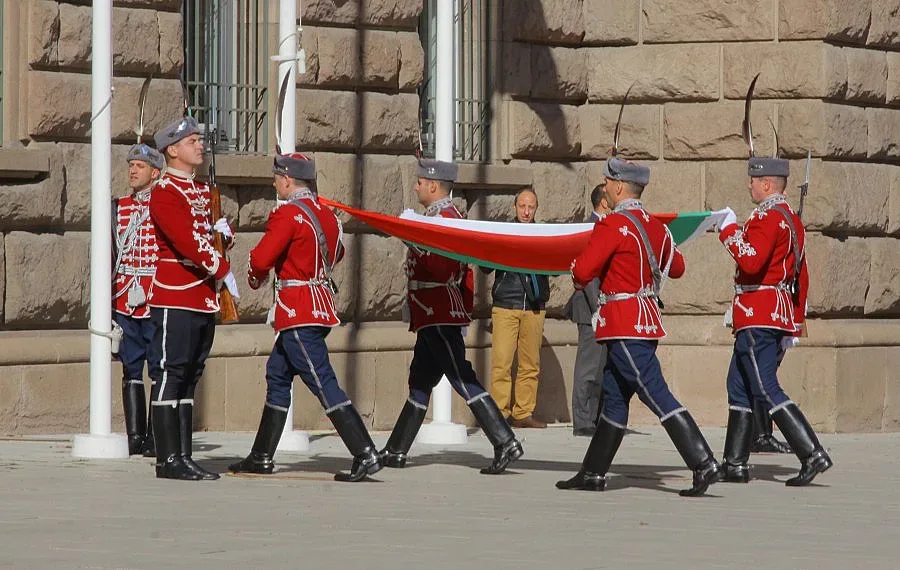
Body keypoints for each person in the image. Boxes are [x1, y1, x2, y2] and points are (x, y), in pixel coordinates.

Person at [556, 157, 721, 497]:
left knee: (655, 393)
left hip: (623, 324)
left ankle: (703, 461)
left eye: (607, 182)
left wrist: (575, 270)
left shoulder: (614, 225)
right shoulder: (656, 226)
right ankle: (593, 472)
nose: (605, 187)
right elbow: (677, 267)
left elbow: (583, 272)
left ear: (617, 187)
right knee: (615, 401)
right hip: (646, 320)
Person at [229, 153, 383, 482]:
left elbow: (263, 256)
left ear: (287, 180)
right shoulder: (325, 215)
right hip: (319, 303)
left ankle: (365, 451)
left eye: (277, 177)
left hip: (296, 308)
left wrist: (255, 274)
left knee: (322, 380)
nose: (274, 182)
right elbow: (336, 253)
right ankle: (261, 456)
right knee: (278, 375)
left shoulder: (287, 214)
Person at [379, 158, 524, 475]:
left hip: (439, 309)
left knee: (462, 377)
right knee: (420, 382)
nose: (416, 186)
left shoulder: (445, 218)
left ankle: (504, 441)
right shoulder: (444, 216)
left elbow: (442, 267)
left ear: (433, 185)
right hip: (434, 310)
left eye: (419, 181)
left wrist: (412, 237)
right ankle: (396, 450)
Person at [716, 156, 833, 486]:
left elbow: (751, 261)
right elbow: (801, 275)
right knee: (738, 386)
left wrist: (727, 230)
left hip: (759, 310)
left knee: (765, 386)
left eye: (753, 180)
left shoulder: (768, 218)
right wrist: (795, 319)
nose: (749, 185)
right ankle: (735, 463)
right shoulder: (791, 219)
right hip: (774, 309)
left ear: (766, 183)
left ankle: (811, 453)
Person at [147, 116, 240, 481]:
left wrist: (224, 234)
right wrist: (222, 267)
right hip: (176, 295)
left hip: (202, 297)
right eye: (192, 142)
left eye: (200, 141)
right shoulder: (166, 192)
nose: (200, 146)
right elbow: (186, 241)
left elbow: (206, 236)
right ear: (172, 151)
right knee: (171, 374)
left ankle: (184, 455)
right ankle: (167, 458)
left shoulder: (200, 191)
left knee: (191, 376)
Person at [112, 143, 165, 456]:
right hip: (125, 298)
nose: (132, 170)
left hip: (155, 297)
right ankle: (135, 436)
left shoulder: (163, 205)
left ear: (154, 172)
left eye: (140, 166)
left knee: (158, 368)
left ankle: (155, 437)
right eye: (131, 165)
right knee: (131, 368)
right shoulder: (119, 208)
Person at [482, 189, 550, 429]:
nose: (526, 211)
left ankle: (523, 413)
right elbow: (484, 267)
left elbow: (552, 266)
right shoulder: (504, 233)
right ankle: (500, 413)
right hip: (506, 304)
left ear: (536, 208)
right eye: (522, 206)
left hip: (534, 307)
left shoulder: (543, 236)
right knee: (502, 362)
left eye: (530, 207)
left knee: (530, 364)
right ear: (514, 207)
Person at [565, 185, 610, 437]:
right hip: (591, 307)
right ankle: (582, 420)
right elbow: (588, 273)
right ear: (603, 201)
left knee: (602, 368)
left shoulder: (608, 226)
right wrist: (599, 308)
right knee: (588, 368)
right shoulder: (589, 229)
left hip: (605, 307)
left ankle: (596, 417)